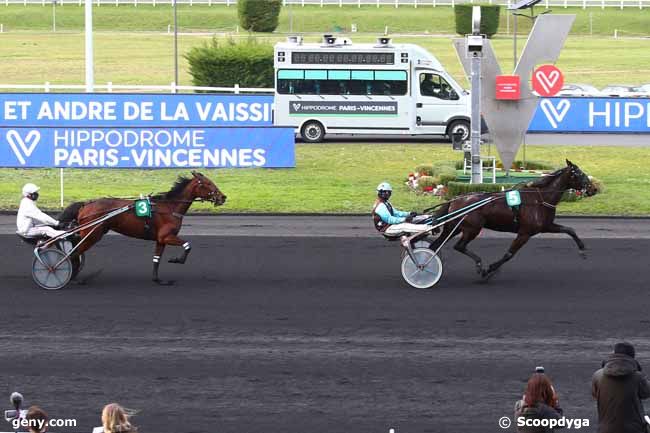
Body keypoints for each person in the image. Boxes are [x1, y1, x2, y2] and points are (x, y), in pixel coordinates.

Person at [592, 342, 650, 433]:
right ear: (632, 357)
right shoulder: (638, 377)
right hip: (634, 429)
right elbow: (646, 393)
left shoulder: (597, 375)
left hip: (605, 429)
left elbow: (595, 395)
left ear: (613, 354)